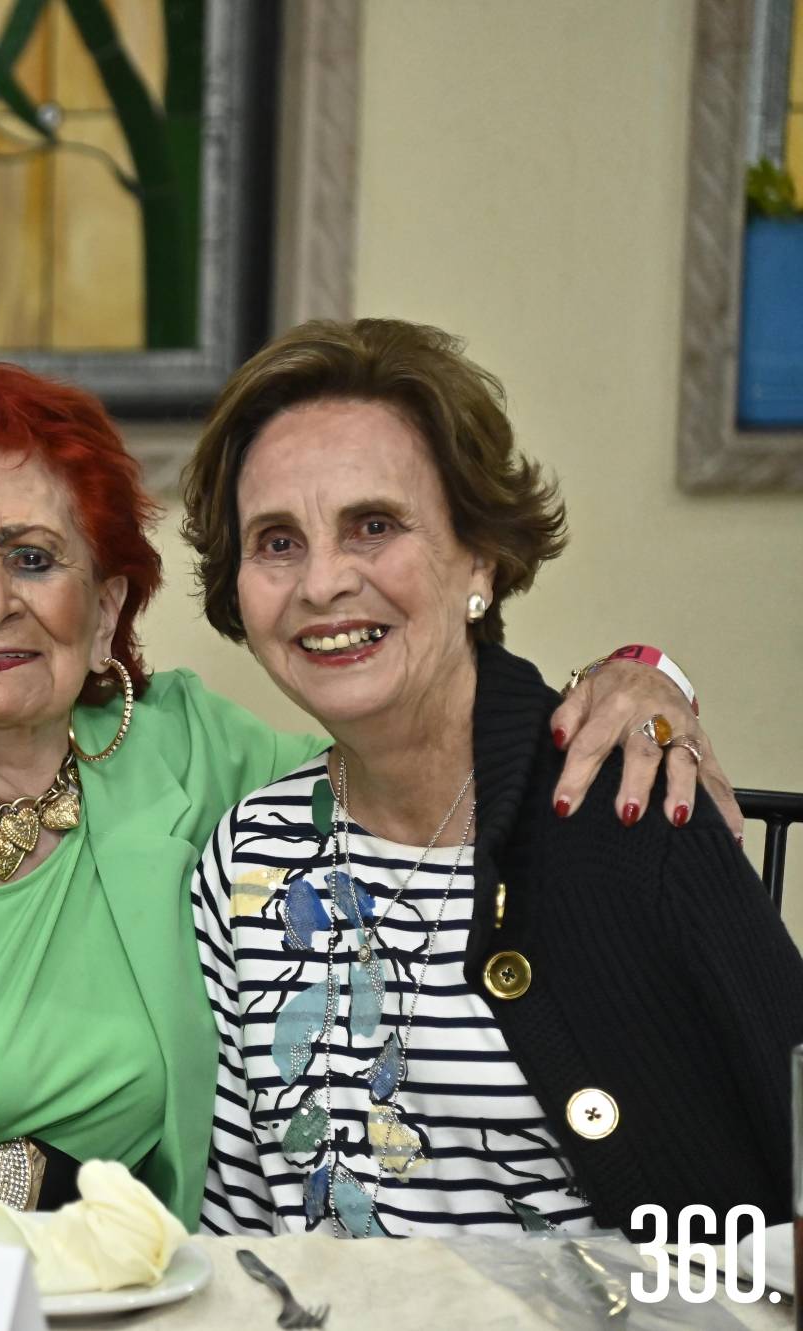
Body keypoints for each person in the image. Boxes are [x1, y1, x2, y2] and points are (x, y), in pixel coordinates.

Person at [0, 353, 720, 1236]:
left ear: (106, 606)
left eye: (34, 554)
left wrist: (640, 678)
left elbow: (419, 760)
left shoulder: (190, 755)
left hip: (132, 1287)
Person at [181, 317, 803, 1239]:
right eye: (276, 541)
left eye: (374, 525)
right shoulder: (251, 855)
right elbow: (236, 1236)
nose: (321, 584)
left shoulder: (632, 805)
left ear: (481, 555)